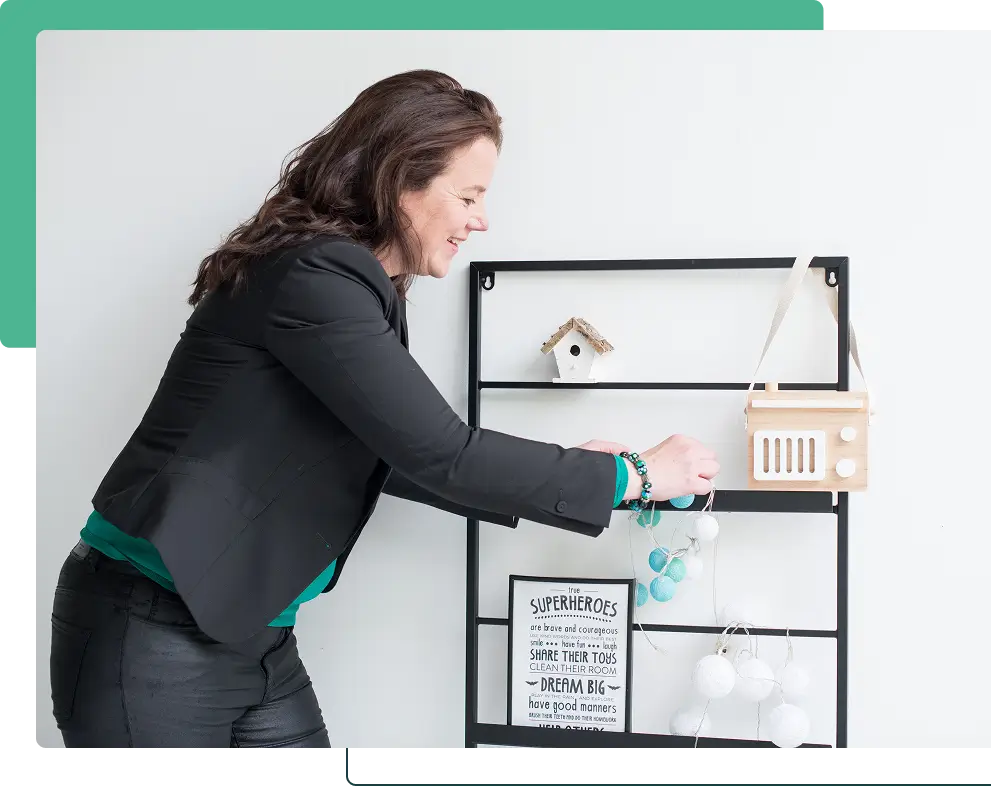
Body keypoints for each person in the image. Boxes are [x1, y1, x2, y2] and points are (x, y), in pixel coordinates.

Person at [47, 69, 720, 751]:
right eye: (468, 196)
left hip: (251, 633)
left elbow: (395, 447)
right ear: (401, 182)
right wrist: (632, 476)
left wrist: (579, 469)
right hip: (153, 625)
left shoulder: (347, 283)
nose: (480, 220)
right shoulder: (313, 276)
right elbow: (440, 451)